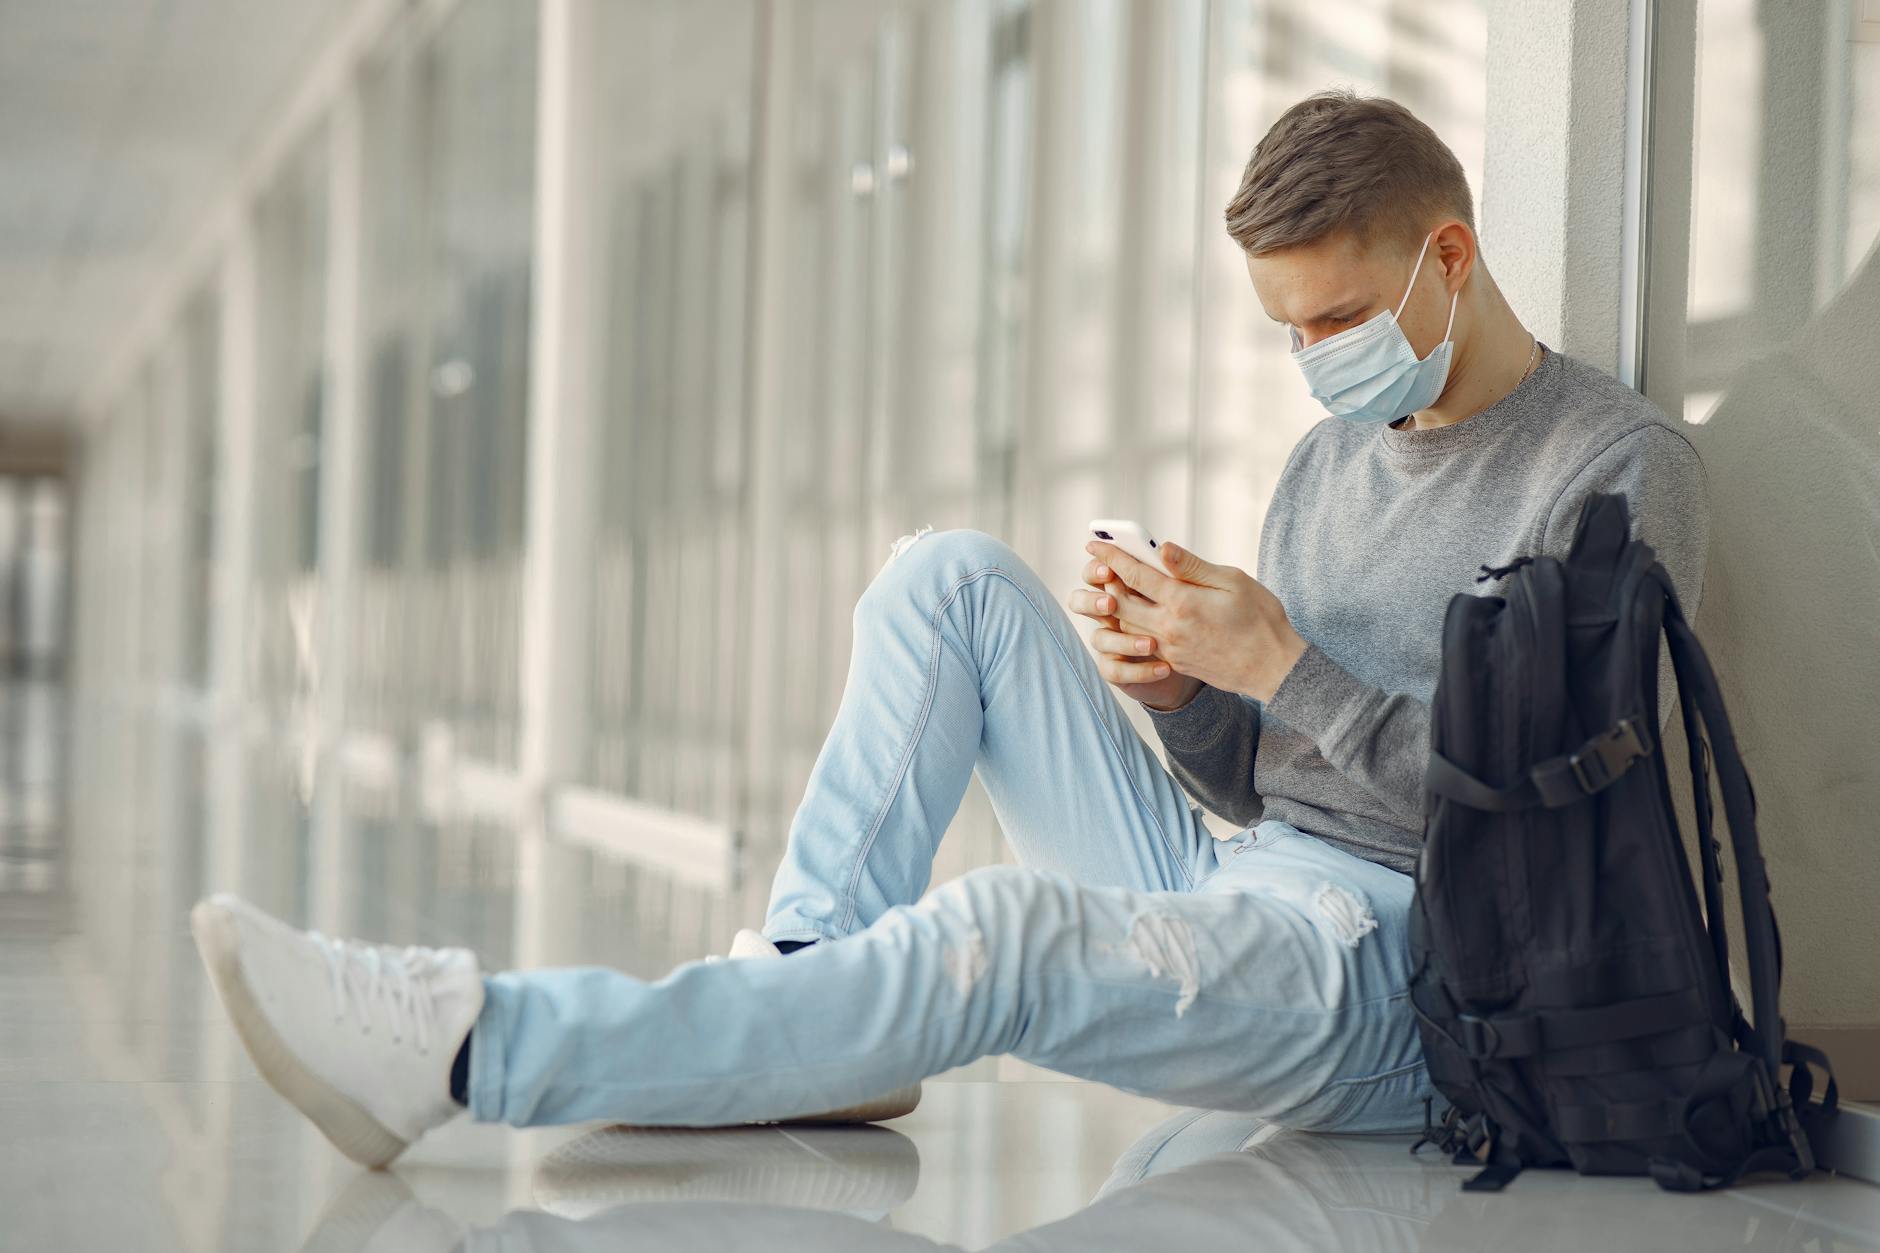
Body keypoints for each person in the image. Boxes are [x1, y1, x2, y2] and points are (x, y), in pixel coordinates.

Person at [190, 89, 1708, 1168]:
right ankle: (810, 994)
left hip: (1411, 974)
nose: (1314, 361)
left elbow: (1568, 836)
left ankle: (467, 1045)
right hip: (1252, 877)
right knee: (953, 577)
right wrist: (1187, 692)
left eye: (1335, 319)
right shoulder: (1325, 466)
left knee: (997, 930)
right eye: (1286, 329)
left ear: (1449, 257)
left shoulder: (1612, 470)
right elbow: (1265, 784)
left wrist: (1286, 667)